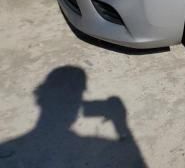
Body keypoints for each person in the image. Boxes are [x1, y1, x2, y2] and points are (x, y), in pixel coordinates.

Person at [0, 66, 146, 168]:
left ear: (40, 98)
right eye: (79, 96)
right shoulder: (102, 144)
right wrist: (120, 123)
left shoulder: (8, 146)